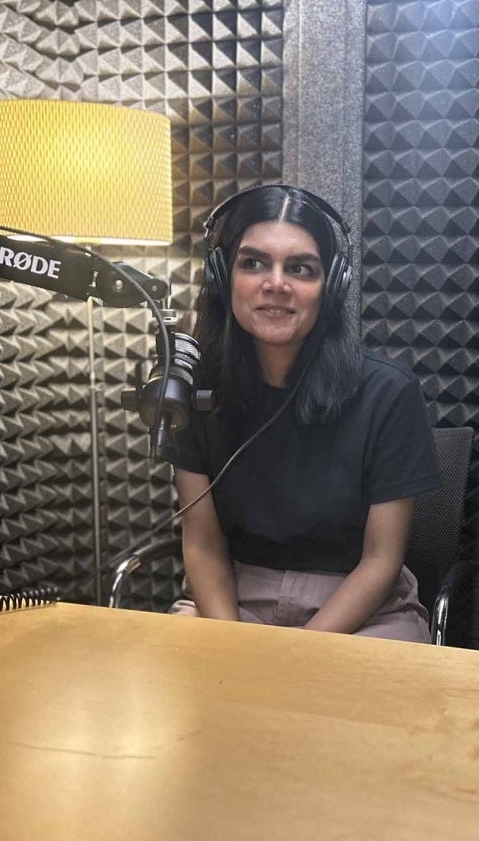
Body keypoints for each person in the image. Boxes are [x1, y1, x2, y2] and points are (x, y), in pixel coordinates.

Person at [161, 183, 440, 642]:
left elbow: (381, 560)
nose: (276, 284)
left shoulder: (388, 394)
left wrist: (297, 654)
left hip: (361, 611)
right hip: (234, 601)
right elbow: (204, 544)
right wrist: (231, 645)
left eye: (301, 268)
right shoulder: (193, 391)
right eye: (253, 263)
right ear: (221, 276)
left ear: (330, 288)